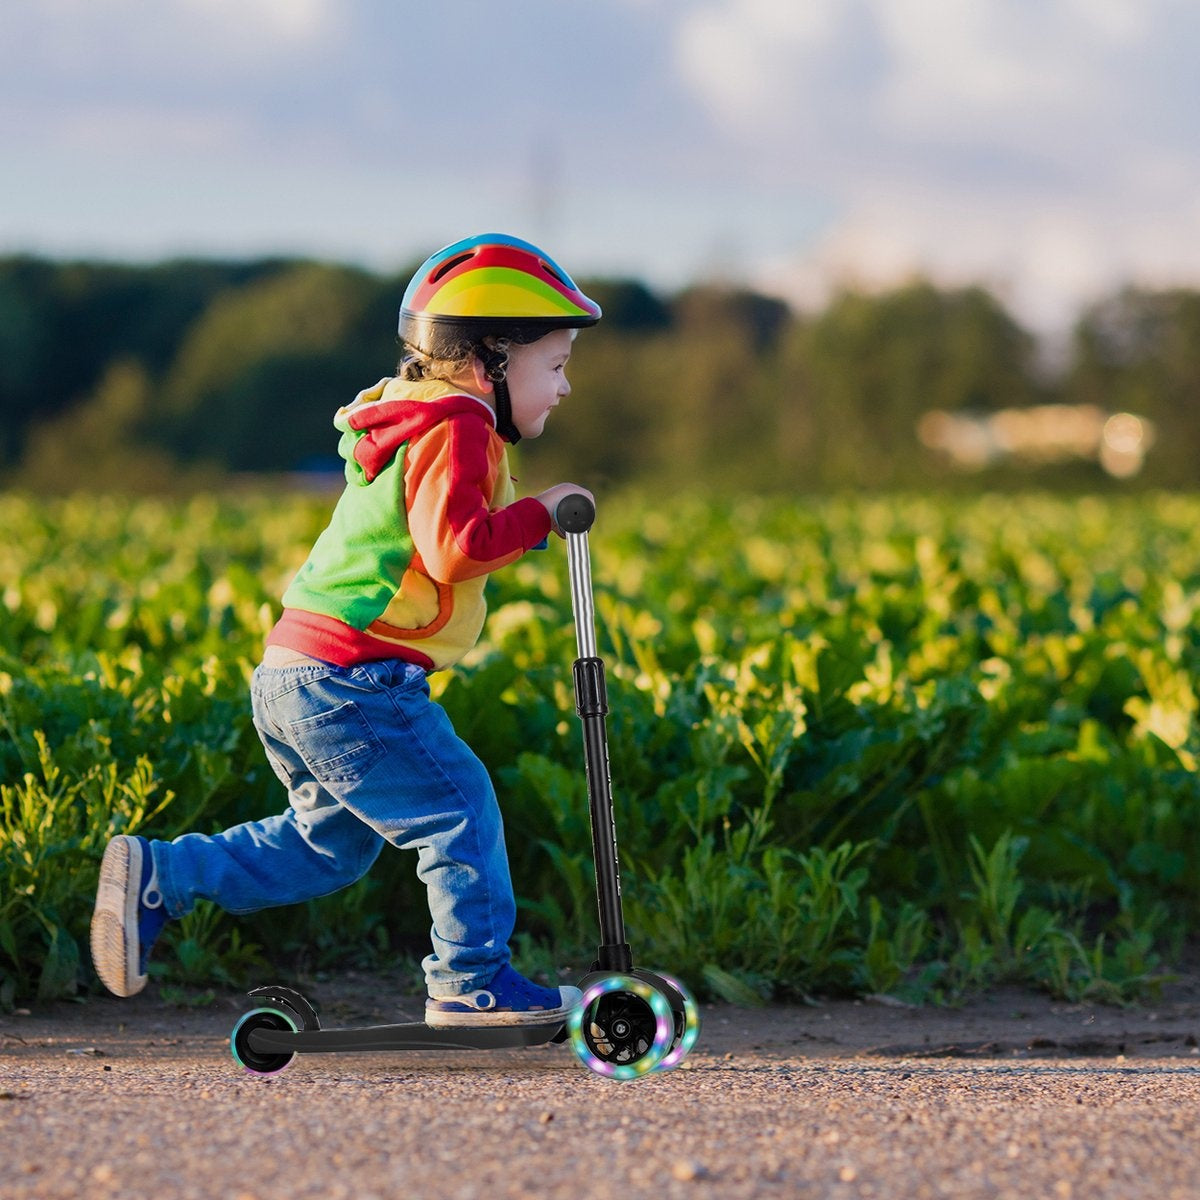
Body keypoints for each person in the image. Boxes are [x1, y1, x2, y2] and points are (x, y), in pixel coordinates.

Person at [90, 233, 601, 1026]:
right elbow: (456, 547)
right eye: (557, 365)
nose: (565, 388)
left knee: (326, 847)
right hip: (354, 679)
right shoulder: (459, 421)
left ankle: (162, 876)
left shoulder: (416, 417)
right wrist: (541, 512)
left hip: (297, 670)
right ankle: (472, 982)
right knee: (458, 809)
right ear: (492, 356)